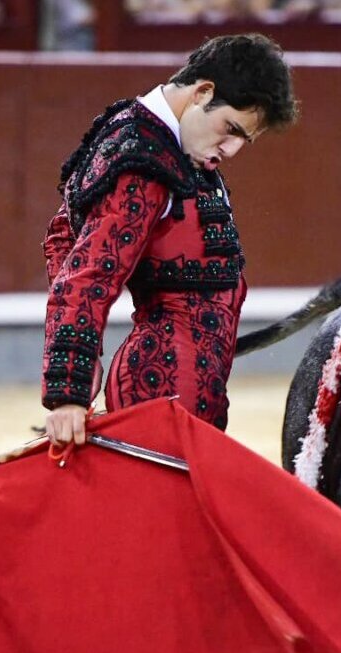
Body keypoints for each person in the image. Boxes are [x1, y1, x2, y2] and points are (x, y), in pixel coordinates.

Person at [40, 33, 298, 447]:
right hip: (160, 390)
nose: (230, 149)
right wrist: (68, 392)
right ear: (202, 93)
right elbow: (86, 274)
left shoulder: (158, 140)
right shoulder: (144, 162)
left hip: (180, 389)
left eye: (242, 140)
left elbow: (64, 239)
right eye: (229, 129)